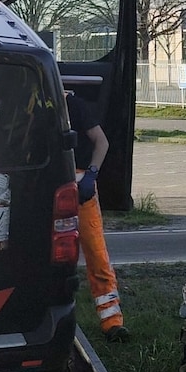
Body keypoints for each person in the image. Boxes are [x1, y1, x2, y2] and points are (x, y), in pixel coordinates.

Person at [65, 90, 129, 343]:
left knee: (96, 252)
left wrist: (91, 174)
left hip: (81, 188)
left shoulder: (74, 105)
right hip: (53, 184)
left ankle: (112, 320)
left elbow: (101, 141)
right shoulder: (34, 105)